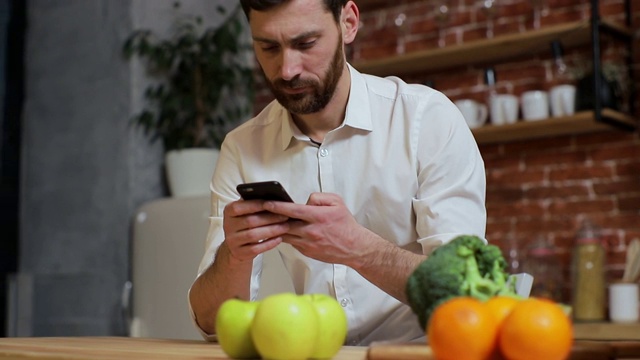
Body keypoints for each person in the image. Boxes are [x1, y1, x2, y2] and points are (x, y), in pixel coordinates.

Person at [188, 0, 486, 346]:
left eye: (305, 44)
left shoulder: (427, 120)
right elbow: (210, 323)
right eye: (268, 47)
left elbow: (466, 290)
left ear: (348, 23)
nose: (287, 70)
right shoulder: (242, 148)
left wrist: (358, 248)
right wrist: (233, 255)